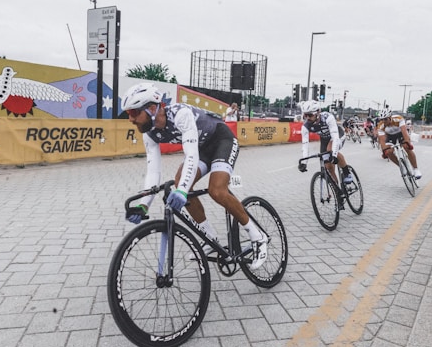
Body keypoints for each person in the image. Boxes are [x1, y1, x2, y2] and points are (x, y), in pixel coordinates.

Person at [121, 84, 267, 268]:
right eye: (128, 114)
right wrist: (144, 205)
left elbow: (191, 155)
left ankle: (257, 236)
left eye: (133, 113)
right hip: (203, 148)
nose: (130, 119)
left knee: (217, 190)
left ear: (152, 108)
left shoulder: (181, 114)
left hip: (222, 139)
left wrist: (181, 191)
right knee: (180, 182)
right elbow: (153, 171)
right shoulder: (149, 133)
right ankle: (209, 237)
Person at [296, 100, 354, 198]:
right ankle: (338, 192)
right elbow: (305, 144)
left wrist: (334, 155)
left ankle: (346, 172)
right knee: (329, 167)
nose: (307, 118)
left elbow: (335, 137)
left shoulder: (328, 117)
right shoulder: (305, 126)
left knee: (330, 150)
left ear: (318, 113)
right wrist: (304, 163)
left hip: (337, 135)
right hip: (325, 139)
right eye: (305, 115)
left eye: (310, 115)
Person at [376, 107, 422, 178]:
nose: (384, 121)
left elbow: (404, 131)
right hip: (390, 136)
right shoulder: (380, 126)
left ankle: (416, 169)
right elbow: (382, 140)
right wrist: (384, 151)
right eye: (382, 119)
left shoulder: (398, 119)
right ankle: (401, 166)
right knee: (388, 152)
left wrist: (407, 143)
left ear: (390, 117)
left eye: (385, 119)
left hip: (401, 134)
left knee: (406, 147)